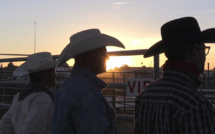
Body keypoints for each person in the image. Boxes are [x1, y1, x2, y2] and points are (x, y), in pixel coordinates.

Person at [134, 17, 215, 134]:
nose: (205, 54)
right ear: (195, 53)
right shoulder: (194, 104)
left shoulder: (144, 96)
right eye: (204, 49)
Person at [53, 29, 125, 134]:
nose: (107, 57)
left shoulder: (67, 87)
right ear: (89, 58)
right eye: (103, 52)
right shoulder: (87, 93)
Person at [0, 52, 57, 134]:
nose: (55, 74)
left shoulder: (19, 96)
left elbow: (4, 125)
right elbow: (32, 131)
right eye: (53, 71)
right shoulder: (43, 99)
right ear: (45, 75)